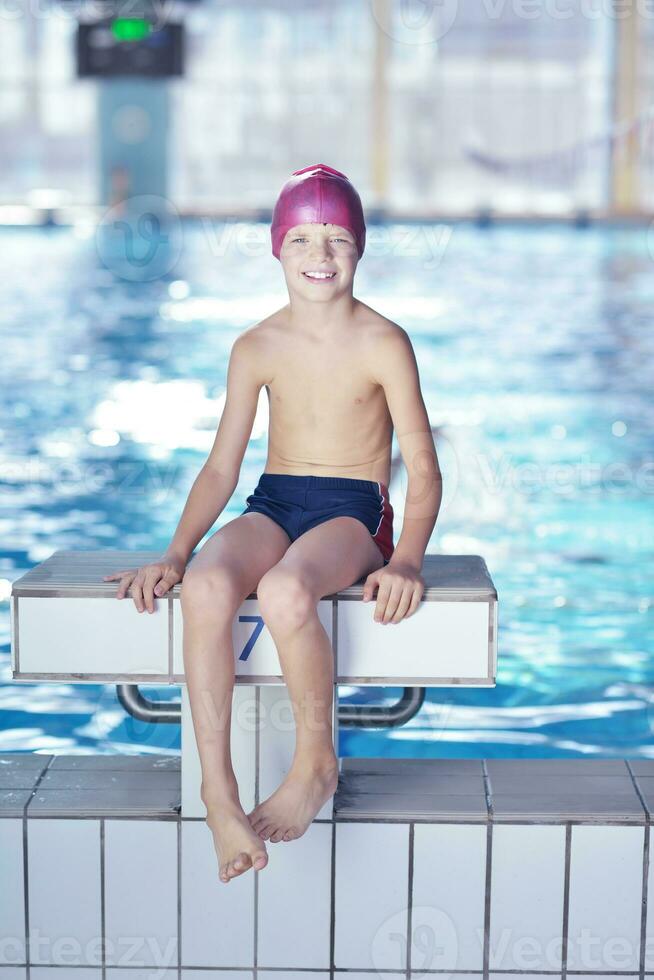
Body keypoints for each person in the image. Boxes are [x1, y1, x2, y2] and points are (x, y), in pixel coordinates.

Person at [102, 163, 443, 884]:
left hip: (354, 508)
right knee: (203, 586)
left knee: (290, 592)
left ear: (361, 248)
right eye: (302, 239)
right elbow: (223, 468)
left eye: (337, 239)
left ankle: (316, 761)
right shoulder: (256, 346)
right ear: (275, 248)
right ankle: (217, 791)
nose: (320, 255)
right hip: (277, 499)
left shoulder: (385, 342)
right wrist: (175, 549)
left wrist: (407, 558)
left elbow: (423, 463)